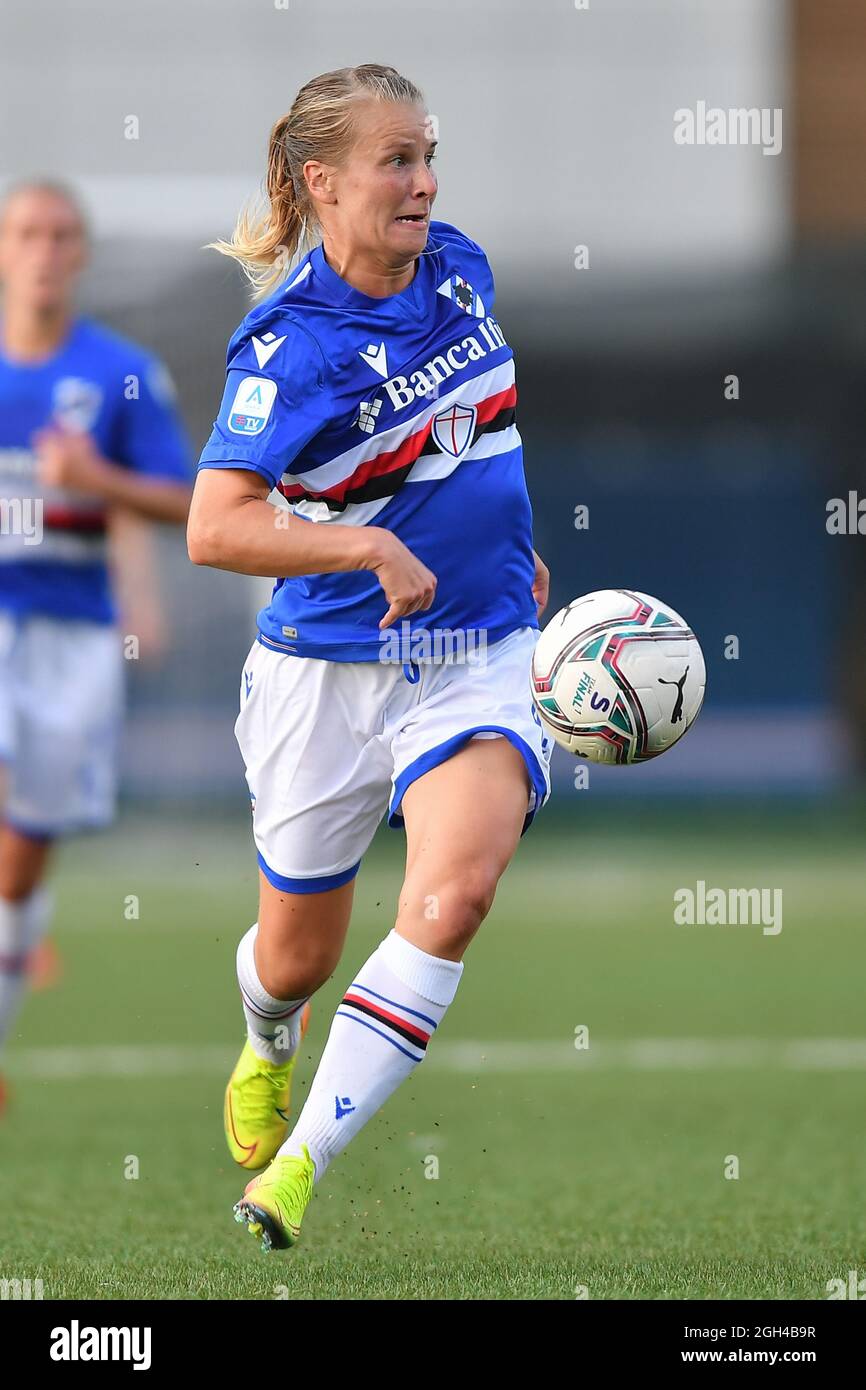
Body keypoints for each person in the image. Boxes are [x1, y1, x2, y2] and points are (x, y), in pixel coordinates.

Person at [189, 63, 553, 1253]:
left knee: (453, 895)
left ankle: (296, 1170)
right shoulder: (286, 347)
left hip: (474, 657)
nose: (424, 181)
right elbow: (215, 526)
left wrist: (516, 552)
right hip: (325, 670)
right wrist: (357, 547)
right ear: (320, 182)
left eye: (428, 154)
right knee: (292, 960)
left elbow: (481, 432)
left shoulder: (460, 264)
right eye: (397, 162)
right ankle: (263, 1040)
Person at [0, 181, 193, 1105]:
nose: (43, 249)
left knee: (23, 856)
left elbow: (192, 503)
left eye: (60, 235)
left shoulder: (119, 372)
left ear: (80, 253)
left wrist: (95, 476)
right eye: (27, 232)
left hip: (72, 635)